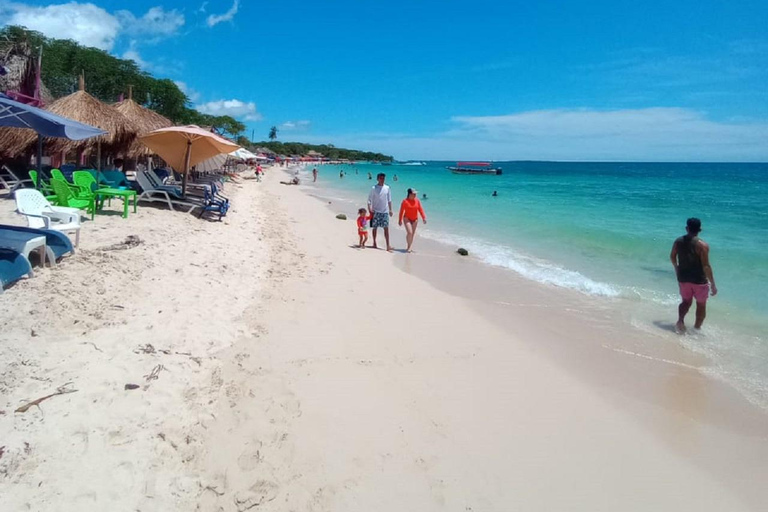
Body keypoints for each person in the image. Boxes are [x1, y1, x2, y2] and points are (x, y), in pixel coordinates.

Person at [670, 217, 717, 333]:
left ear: (687, 228)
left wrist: (677, 268)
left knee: (686, 302)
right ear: (699, 230)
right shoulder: (703, 246)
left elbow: (672, 256)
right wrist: (713, 284)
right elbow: (706, 266)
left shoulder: (678, 241)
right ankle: (696, 329)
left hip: (683, 278)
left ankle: (680, 321)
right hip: (699, 280)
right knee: (701, 305)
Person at [367, 173, 393, 251]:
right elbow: (369, 200)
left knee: (386, 229)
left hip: (385, 211)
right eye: (381, 178)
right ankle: (374, 243)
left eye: (383, 178)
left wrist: (391, 210)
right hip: (375, 211)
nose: (382, 180)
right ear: (377, 179)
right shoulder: (374, 188)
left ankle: (388, 245)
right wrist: (369, 209)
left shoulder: (387, 188)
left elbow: (389, 200)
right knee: (374, 228)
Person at [398, 188, 427, 253]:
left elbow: (420, 209)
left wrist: (424, 218)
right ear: (409, 194)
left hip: (415, 219)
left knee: (412, 234)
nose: (415, 195)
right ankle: (409, 246)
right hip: (407, 218)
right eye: (414, 194)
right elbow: (401, 211)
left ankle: (409, 246)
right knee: (410, 232)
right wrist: (399, 220)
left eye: (415, 194)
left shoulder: (417, 201)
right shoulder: (405, 201)